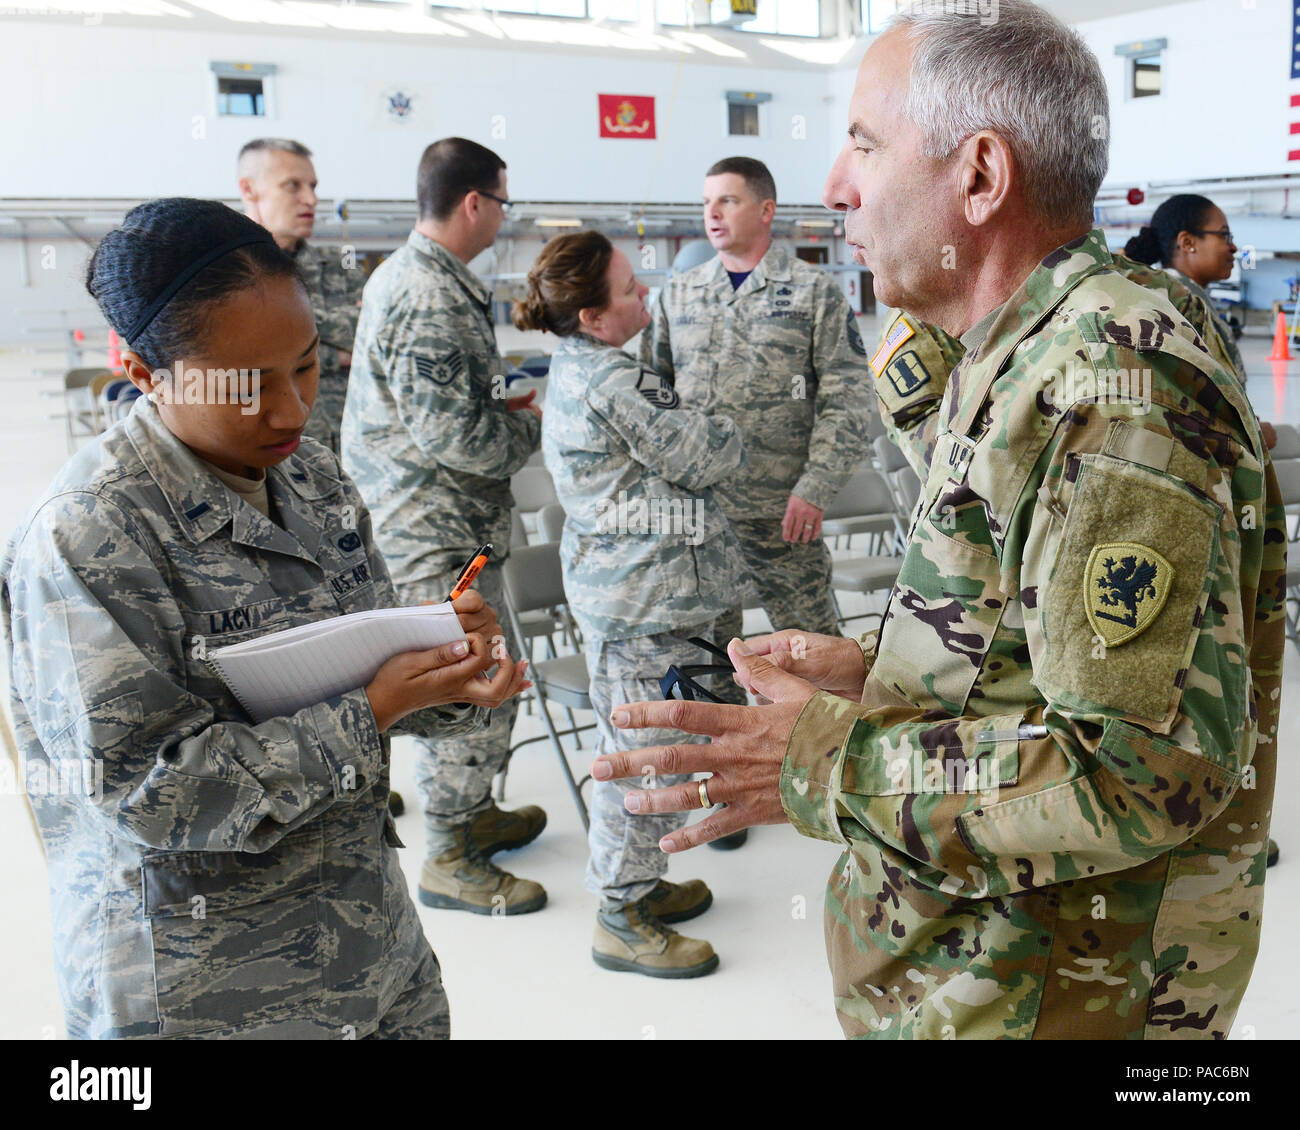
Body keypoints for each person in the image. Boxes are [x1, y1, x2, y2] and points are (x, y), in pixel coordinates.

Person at [591, 0, 1286, 1039]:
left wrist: (825, 755)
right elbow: (1033, 651)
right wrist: (893, 675)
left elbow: (1136, 776)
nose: (834, 189)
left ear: (978, 176)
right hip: (967, 979)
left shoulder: (1110, 390)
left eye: (863, 143)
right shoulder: (1022, 352)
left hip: (1050, 997)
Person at [0, 198, 529, 1039]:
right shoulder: (90, 534)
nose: (290, 412)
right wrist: (375, 711)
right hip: (206, 988)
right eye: (247, 385)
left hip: (368, 946)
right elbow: (147, 788)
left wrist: (451, 671)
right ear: (143, 371)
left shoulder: (312, 479)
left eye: (308, 367)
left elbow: (370, 657)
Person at [515, 231, 746, 977]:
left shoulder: (595, 367)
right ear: (590, 315)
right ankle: (619, 913)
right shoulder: (611, 380)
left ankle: (642, 889)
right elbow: (708, 454)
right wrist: (724, 428)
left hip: (660, 595)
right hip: (644, 604)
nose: (644, 291)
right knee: (640, 763)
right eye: (628, 288)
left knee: (661, 755)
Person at [342, 138, 546, 915]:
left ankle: (473, 813)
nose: (502, 217)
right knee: (465, 681)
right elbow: (452, 437)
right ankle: (450, 854)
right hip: (433, 526)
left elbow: (452, 413)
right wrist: (533, 435)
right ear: (474, 204)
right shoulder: (425, 292)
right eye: (502, 202)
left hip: (451, 517)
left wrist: (497, 411)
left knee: (483, 676)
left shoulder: (427, 280)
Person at [640, 156, 874, 645]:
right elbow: (651, 396)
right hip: (698, 515)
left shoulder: (814, 293)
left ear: (766, 209)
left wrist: (816, 486)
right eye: (706, 202)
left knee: (812, 651)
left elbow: (847, 399)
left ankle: (829, 724)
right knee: (706, 651)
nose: (713, 213)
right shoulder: (678, 295)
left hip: (782, 514)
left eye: (727, 200)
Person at [238, 138, 365, 456]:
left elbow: (372, 335)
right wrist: (340, 355)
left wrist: (279, 322)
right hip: (265, 454)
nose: (311, 199)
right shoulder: (225, 275)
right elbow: (244, 359)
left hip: (345, 451)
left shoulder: (339, 268)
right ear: (249, 189)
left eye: (312, 186)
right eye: (293, 186)